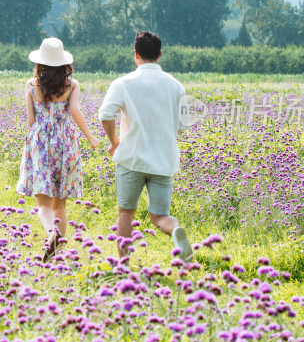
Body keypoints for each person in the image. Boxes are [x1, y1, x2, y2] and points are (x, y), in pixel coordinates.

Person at [98, 31, 193, 261]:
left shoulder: (123, 83)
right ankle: (175, 230)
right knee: (160, 216)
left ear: (136, 54)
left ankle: (123, 264)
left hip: (132, 158)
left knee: (126, 213)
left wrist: (114, 142)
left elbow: (105, 114)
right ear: (159, 55)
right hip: (163, 159)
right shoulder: (176, 86)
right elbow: (184, 125)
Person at [17, 38, 101, 262]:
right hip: (65, 140)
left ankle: (51, 234)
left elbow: (30, 121)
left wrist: (38, 138)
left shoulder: (31, 85)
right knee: (60, 202)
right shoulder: (71, 85)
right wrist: (91, 137)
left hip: (40, 140)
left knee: (42, 201)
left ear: (40, 63)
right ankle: (57, 250)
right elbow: (74, 111)